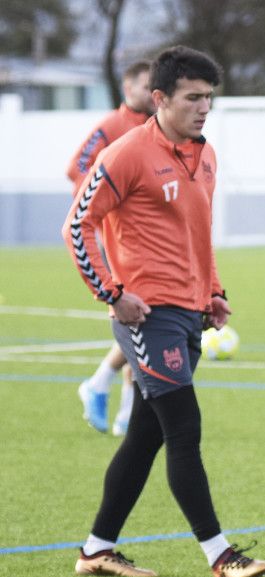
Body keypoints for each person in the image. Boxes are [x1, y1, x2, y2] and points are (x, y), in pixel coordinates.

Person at [61, 46, 265, 577]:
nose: (204, 108)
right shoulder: (126, 154)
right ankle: (222, 556)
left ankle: (97, 548)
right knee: (184, 429)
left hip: (188, 314)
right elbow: (76, 226)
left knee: (146, 437)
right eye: (193, 98)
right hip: (146, 314)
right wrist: (112, 293)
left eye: (209, 98)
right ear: (160, 98)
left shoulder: (205, 154)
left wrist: (214, 291)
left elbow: (197, 232)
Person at [67, 60, 155, 437]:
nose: (152, 94)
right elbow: (77, 167)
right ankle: (106, 391)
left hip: (146, 238)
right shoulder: (112, 126)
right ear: (127, 86)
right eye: (145, 86)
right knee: (140, 316)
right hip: (118, 238)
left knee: (147, 319)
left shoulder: (156, 128)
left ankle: (119, 408)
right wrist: (109, 201)